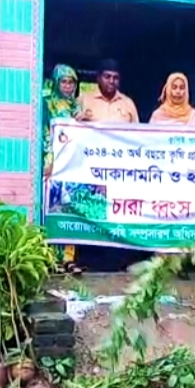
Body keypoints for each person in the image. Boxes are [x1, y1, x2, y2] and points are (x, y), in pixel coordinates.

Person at [42, 64, 83, 273]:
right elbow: (45, 132)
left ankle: (69, 258)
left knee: (71, 207)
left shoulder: (77, 108)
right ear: (56, 83)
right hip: (54, 164)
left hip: (73, 166)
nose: (68, 86)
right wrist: (48, 160)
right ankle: (51, 259)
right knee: (53, 207)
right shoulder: (47, 104)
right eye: (64, 82)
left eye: (71, 82)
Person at [77, 59, 139, 123]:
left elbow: (137, 130)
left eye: (115, 78)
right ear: (98, 78)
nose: (111, 81)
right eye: (107, 77)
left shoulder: (128, 103)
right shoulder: (84, 100)